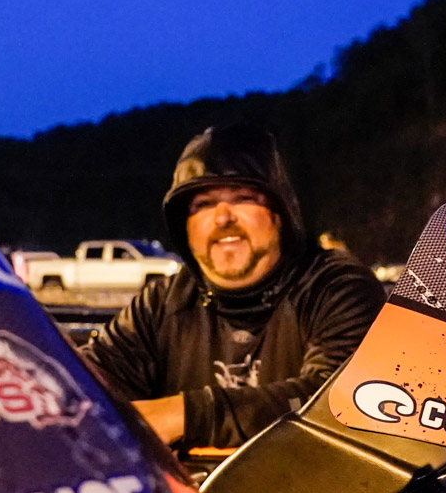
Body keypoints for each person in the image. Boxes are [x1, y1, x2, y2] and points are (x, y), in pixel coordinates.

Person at [81, 124, 385, 447]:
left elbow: (341, 402)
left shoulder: (338, 286)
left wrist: (187, 415)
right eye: (203, 204)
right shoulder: (160, 305)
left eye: (243, 198)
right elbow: (81, 391)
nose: (223, 218)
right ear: (184, 226)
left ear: (281, 213)